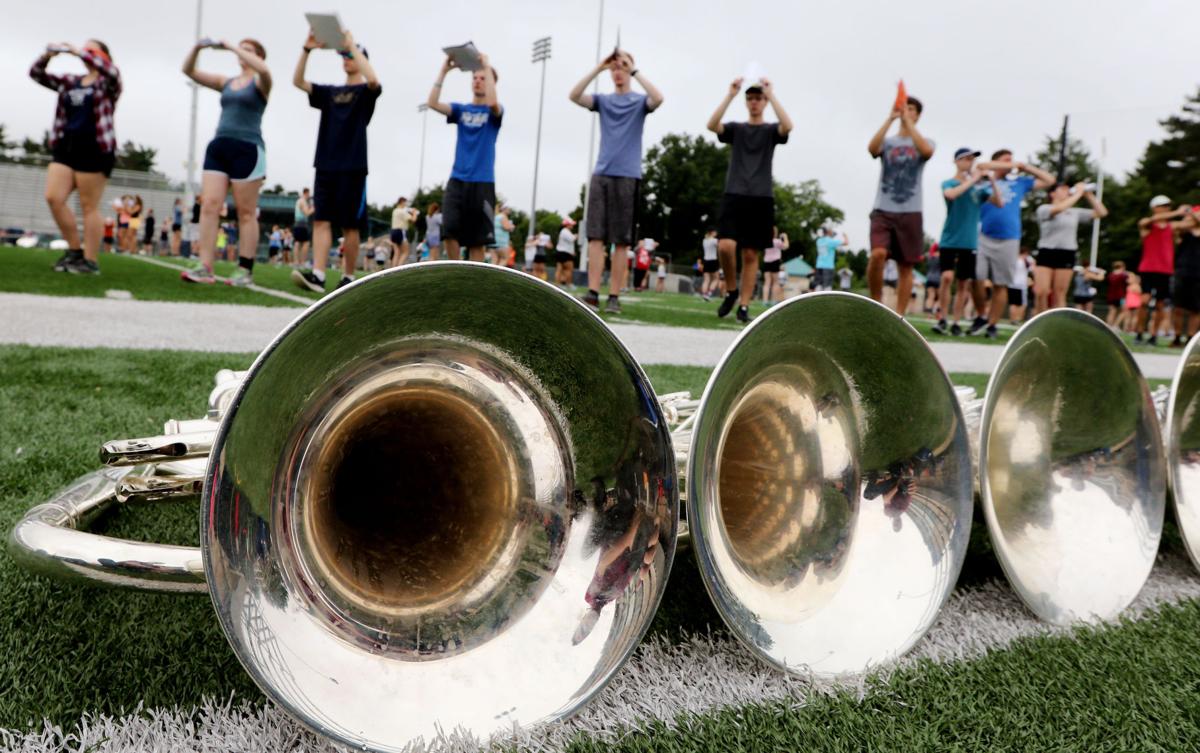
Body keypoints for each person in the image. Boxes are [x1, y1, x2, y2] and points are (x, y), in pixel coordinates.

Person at [569, 48, 664, 314]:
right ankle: (592, 292)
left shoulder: (638, 101)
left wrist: (634, 69)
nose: (618, 72)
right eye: (615, 68)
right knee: (596, 237)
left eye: (622, 67)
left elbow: (658, 98)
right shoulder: (604, 100)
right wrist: (599, 68)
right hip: (602, 172)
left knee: (621, 241)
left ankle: (613, 296)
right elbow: (574, 95)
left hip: (628, 174)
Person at [291, 29, 381, 293]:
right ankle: (318, 275)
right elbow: (298, 81)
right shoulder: (329, 93)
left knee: (350, 225)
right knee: (320, 220)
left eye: (351, 55)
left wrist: (351, 45)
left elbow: (374, 79)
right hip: (325, 164)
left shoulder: (366, 91)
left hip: (353, 166)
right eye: (343, 55)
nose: (346, 58)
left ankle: (348, 278)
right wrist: (306, 49)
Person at [180, 37, 271, 286]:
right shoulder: (227, 82)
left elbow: (264, 70)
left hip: (248, 148)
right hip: (220, 145)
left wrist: (232, 46)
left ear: (258, 55)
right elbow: (188, 70)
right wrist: (197, 47)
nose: (241, 53)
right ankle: (205, 265)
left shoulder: (261, 82)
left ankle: (244, 269)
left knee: (245, 212)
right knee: (209, 205)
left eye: (248, 50)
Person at [32, 40, 122, 274]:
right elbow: (36, 73)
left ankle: (90, 261)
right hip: (66, 145)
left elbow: (113, 72)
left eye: (91, 50)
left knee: (88, 205)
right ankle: (74, 251)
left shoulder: (107, 83)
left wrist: (77, 51)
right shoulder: (70, 81)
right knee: (54, 197)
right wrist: (48, 55)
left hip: (95, 147)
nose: (84, 54)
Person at [708, 78, 793, 323]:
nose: (754, 102)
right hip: (734, 193)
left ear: (764, 102)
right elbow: (712, 125)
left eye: (758, 98)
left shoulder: (769, 131)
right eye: (751, 98)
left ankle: (744, 305)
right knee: (725, 246)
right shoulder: (737, 129)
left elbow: (788, 126)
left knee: (750, 255)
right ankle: (732, 290)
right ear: (746, 102)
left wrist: (772, 94)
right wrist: (730, 95)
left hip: (761, 196)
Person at [428, 50, 501, 262]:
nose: (477, 82)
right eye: (475, 78)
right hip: (457, 180)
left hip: (482, 183)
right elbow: (432, 103)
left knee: (476, 242)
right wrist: (444, 71)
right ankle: (456, 276)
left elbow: (494, 105)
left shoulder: (493, 113)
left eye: (483, 79)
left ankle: (474, 287)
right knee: (449, 232)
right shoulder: (461, 110)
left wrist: (487, 66)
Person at [973, 150, 1056, 337]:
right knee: (976, 277)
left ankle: (992, 324)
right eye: (1006, 160)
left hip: (1009, 238)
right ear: (996, 161)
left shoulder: (1019, 183)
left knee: (1000, 283)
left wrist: (1026, 167)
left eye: (1012, 160)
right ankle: (980, 315)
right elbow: (981, 166)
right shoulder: (984, 179)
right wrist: (1010, 165)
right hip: (983, 236)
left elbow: (1049, 180)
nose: (1011, 164)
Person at [866, 93, 934, 316]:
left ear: (918, 115)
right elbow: (871, 148)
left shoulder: (925, 141)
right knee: (877, 254)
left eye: (911, 109)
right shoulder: (888, 143)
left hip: (911, 210)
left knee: (906, 266)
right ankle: (875, 303)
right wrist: (891, 119)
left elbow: (926, 151)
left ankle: (900, 315)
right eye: (904, 108)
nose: (907, 112)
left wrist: (908, 123)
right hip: (883, 208)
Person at [932, 148, 1006, 335]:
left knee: (963, 283)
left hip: (969, 242)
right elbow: (951, 194)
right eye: (966, 159)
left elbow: (999, 203)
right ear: (957, 162)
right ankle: (942, 318)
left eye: (972, 160)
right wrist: (973, 179)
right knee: (947, 277)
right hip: (950, 239)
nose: (970, 163)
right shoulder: (949, 183)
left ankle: (956, 321)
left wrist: (992, 182)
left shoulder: (978, 190)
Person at [1033, 182, 1108, 312]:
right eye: (1063, 189)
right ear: (1052, 193)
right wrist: (1078, 193)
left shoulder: (1074, 212)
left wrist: (1088, 194)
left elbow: (1102, 212)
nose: (1067, 191)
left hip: (1067, 253)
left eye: (1068, 189)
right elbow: (1058, 209)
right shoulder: (1044, 208)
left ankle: (1057, 325)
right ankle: (1039, 321)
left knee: (1060, 293)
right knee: (1041, 291)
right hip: (1047, 252)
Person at [1136, 196, 1189, 345]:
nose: (1166, 208)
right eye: (1163, 206)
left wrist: (1190, 212)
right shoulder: (1146, 225)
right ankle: (1139, 333)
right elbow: (1150, 220)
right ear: (1154, 207)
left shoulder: (1172, 226)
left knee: (1160, 305)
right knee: (1144, 301)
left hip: (1165, 270)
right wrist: (1178, 211)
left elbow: (1192, 223)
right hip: (1147, 268)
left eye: (1168, 206)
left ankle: (1153, 335)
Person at [1171, 207, 1200, 346]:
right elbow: (1174, 227)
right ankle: (1176, 336)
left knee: (1196, 308)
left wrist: (1193, 214)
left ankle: (1190, 338)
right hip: (1182, 271)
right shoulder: (1184, 232)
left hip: (1198, 273)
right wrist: (1187, 218)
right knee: (1178, 307)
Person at [389, 197, 417, 267]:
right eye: (405, 203)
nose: (406, 205)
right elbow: (413, 220)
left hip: (393, 232)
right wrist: (414, 213)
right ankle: (398, 269)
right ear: (402, 202)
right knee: (405, 252)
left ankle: (392, 271)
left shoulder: (395, 211)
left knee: (396, 252)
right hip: (401, 232)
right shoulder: (402, 211)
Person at [762, 229, 789, 303]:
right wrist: (785, 237)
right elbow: (786, 246)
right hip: (775, 261)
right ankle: (774, 300)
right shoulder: (777, 241)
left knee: (767, 282)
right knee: (775, 282)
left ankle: (765, 301)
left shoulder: (766, 241)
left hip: (766, 261)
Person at [1008, 247, 1034, 323]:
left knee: (1013, 303)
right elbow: (1033, 268)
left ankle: (1013, 319)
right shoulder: (1027, 259)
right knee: (1022, 304)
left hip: (1012, 283)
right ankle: (1017, 319)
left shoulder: (1014, 258)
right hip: (1021, 285)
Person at [293, 187, 312, 267]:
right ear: (306, 193)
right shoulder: (303, 201)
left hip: (297, 224)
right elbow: (307, 213)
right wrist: (314, 208)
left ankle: (297, 262)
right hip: (302, 224)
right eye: (309, 194)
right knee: (306, 243)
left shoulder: (299, 201)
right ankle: (302, 262)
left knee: (297, 242)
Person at [1105, 260, 1128, 329]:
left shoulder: (1110, 275)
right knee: (1124, 311)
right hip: (1121, 296)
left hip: (1111, 296)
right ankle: (1115, 325)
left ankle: (1109, 326)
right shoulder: (1123, 275)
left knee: (1111, 312)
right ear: (1122, 267)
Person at [555, 217, 577, 287]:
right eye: (571, 224)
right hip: (565, 253)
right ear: (567, 225)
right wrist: (577, 236)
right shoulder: (565, 231)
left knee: (560, 269)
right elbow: (572, 239)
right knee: (569, 269)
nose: (572, 226)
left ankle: (558, 284)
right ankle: (569, 284)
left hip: (560, 252)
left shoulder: (563, 231)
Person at [699, 229, 720, 300]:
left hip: (706, 261)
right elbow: (720, 248)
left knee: (706, 280)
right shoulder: (715, 240)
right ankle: (709, 294)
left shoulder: (704, 240)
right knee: (716, 279)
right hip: (713, 260)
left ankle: (704, 294)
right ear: (712, 232)